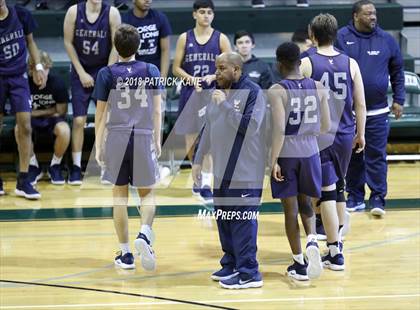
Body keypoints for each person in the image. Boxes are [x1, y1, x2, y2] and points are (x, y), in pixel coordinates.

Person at [193, 52, 266, 289]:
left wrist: (224, 105)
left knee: (242, 221)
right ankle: (231, 262)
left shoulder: (253, 92)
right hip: (221, 169)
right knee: (224, 218)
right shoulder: (217, 93)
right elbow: (208, 128)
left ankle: (249, 272)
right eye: (216, 68)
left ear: (236, 70)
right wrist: (197, 159)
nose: (217, 73)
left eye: (222, 68)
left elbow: (250, 127)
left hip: (246, 171)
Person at [300, 13, 366, 271]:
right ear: (335, 34)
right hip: (346, 132)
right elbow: (360, 103)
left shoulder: (306, 62)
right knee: (338, 186)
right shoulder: (350, 63)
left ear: (313, 35)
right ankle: (337, 241)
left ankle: (335, 252)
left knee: (325, 192)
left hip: (319, 134)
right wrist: (360, 133)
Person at [93, 23, 162, 270]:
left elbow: (100, 114)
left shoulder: (106, 73)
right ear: (138, 45)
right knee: (148, 193)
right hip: (143, 135)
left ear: (115, 46)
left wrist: (98, 145)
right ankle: (144, 233)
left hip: (117, 137)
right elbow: (156, 109)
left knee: (119, 197)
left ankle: (125, 254)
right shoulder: (151, 69)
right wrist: (157, 139)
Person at [336, 0, 405, 217]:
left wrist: (399, 99)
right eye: (368, 14)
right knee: (352, 155)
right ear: (356, 16)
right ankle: (354, 197)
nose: (373, 17)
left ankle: (377, 198)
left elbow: (398, 71)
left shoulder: (386, 39)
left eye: (374, 13)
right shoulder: (341, 37)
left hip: (377, 111)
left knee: (376, 155)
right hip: (349, 111)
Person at [269, 42, 330, 281]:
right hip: (311, 151)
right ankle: (313, 241)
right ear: (299, 62)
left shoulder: (277, 90)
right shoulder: (318, 86)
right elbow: (326, 126)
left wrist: (273, 160)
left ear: (279, 63)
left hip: (288, 152)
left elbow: (278, 130)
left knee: (290, 210)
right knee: (307, 202)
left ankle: (298, 263)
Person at [172, 0, 231, 203]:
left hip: (213, 94)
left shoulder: (221, 38)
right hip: (191, 93)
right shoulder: (184, 38)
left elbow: (232, 67)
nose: (206, 16)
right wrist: (192, 79)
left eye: (209, 12)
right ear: (194, 14)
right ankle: (196, 177)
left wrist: (213, 78)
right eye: (202, 12)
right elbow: (176, 68)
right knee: (191, 141)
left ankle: (206, 182)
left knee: (210, 140)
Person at [63, 0, 121, 185]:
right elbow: (68, 42)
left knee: (105, 121)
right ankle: (76, 167)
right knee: (79, 121)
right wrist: (80, 72)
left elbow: (116, 46)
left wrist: (107, 73)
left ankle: (106, 166)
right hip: (81, 70)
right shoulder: (74, 11)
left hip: (103, 68)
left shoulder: (112, 13)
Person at [0, 0, 46, 200]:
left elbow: (31, 42)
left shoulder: (20, 14)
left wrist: (37, 67)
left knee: (25, 126)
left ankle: (24, 180)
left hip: (18, 76)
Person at [17, 50, 70, 185]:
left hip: (51, 120)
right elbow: (20, 112)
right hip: (32, 121)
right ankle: (33, 165)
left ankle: (55, 166)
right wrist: (49, 110)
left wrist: (35, 112)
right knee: (19, 129)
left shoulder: (57, 83)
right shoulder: (24, 84)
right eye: (40, 68)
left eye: (46, 68)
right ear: (31, 69)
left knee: (64, 130)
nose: (43, 72)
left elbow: (61, 111)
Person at [122, 0, 171, 79]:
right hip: (133, 73)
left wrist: (162, 78)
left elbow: (165, 50)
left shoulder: (160, 18)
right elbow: (122, 54)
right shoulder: (125, 21)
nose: (147, 0)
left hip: (154, 72)